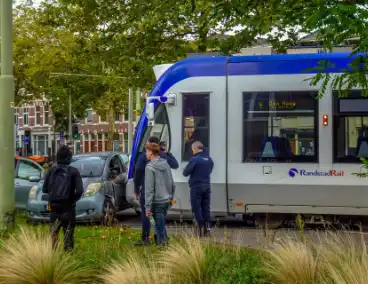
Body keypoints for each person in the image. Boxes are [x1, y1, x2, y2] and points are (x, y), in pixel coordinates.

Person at [133, 136, 178, 245]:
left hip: (151, 195)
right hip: (165, 197)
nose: (145, 151)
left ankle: (149, 239)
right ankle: (162, 239)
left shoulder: (148, 163)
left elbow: (140, 175)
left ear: (150, 149)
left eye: (147, 148)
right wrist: (171, 197)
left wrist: (137, 189)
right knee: (159, 220)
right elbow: (175, 168)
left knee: (148, 216)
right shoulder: (164, 160)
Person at [42, 145, 83, 251]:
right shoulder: (74, 171)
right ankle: (67, 260)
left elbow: (44, 189)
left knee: (53, 237)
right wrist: (72, 199)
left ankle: (52, 260)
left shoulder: (51, 171)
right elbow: (79, 191)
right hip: (68, 208)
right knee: (68, 237)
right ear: (69, 158)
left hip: (54, 209)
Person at [144, 142, 175, 246]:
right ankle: (164, 244)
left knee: (157, 225)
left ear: (151, 153)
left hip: (156, 202)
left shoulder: (149, 167)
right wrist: (171, 197)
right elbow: (171, 183)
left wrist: (147, 206)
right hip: (166, 200)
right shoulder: (165, 164)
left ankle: (163, 246)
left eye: (147, 151)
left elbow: (149, 189)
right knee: (160, 224)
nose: (146, 154)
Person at [183, 141, 214, 237]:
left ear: (195, 149)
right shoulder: (209, 159)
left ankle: (200, 228)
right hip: (207, 186)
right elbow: (210, 170)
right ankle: (208, 228)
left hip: (196, 187)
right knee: (206, 208)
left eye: (192, 149)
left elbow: (185, 173)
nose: (192, 151)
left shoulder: (195, 159)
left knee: (196, 208)